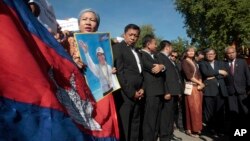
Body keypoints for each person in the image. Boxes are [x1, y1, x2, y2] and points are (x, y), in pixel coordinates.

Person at [113, 24, 144, 141]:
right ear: (124, 34)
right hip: (125, 94)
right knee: (125, 125)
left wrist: (142, 88)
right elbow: (119, 73)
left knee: (135, 124)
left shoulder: (137, 51)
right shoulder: (118, 48)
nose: (133, 38)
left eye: (136, 36)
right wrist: (131, 93)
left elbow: (141, 73)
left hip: (139, 93)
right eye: (130, 35)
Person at [140, 34, 165, 141]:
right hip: (151, 91)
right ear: (148, 44)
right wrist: (160, 66)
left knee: (156, 118)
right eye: (155, 44)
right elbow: (153, 68)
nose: (156, 46)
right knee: (150, 119)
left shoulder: (153, 55)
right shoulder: (141, 55)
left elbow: (162, 66)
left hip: (158, 91)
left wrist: (162, 66)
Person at [199, 48, 228, 136]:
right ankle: (211, 129)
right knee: (210, 113)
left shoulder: (221, 63)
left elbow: (226, 74)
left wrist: (213, 76)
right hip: (209, 91)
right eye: (208, 54)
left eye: (212, 54)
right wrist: (219, 72)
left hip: (220, 91)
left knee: (220, 112)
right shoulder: (202, 63)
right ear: (206, 55)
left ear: (215, 55)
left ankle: (220, 129)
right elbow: (206, 73)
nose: (210, 55)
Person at [157, 40, 183, 141]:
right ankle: (164, 136)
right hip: (168, 92)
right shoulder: (160, 56)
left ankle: (169, 134)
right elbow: (162, 77)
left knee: (170, 115)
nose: (172, 49)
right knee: (165, 116)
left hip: (174, 91)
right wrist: (166, 91)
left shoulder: (168, 59)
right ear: (167, 47)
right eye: (171, 47)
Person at [224, 46, 250, 137]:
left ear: (235, 53)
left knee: (245, 112)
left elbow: (248, 75)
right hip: (230, 92)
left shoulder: (242, 62)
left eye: (233, 52)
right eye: (229, 53)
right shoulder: (224, 64)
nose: (231, 54)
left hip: (242, 91)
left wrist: (249, 89)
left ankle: (244, 131)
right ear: (226, 55)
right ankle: (236, 133)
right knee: (233, 113)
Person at [181, 47, 204, 138]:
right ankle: (190, 129)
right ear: (186, 52)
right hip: (190, 87)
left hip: (198, 87)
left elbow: (199, 74)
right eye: (189, 51)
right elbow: (189, 76)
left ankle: (197, 128)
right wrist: (199, 83)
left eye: (193, 51)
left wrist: (200, 83)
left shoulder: (194, 62)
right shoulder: (184, 62)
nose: (191, 52)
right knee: (191, 108)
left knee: (198, 109)